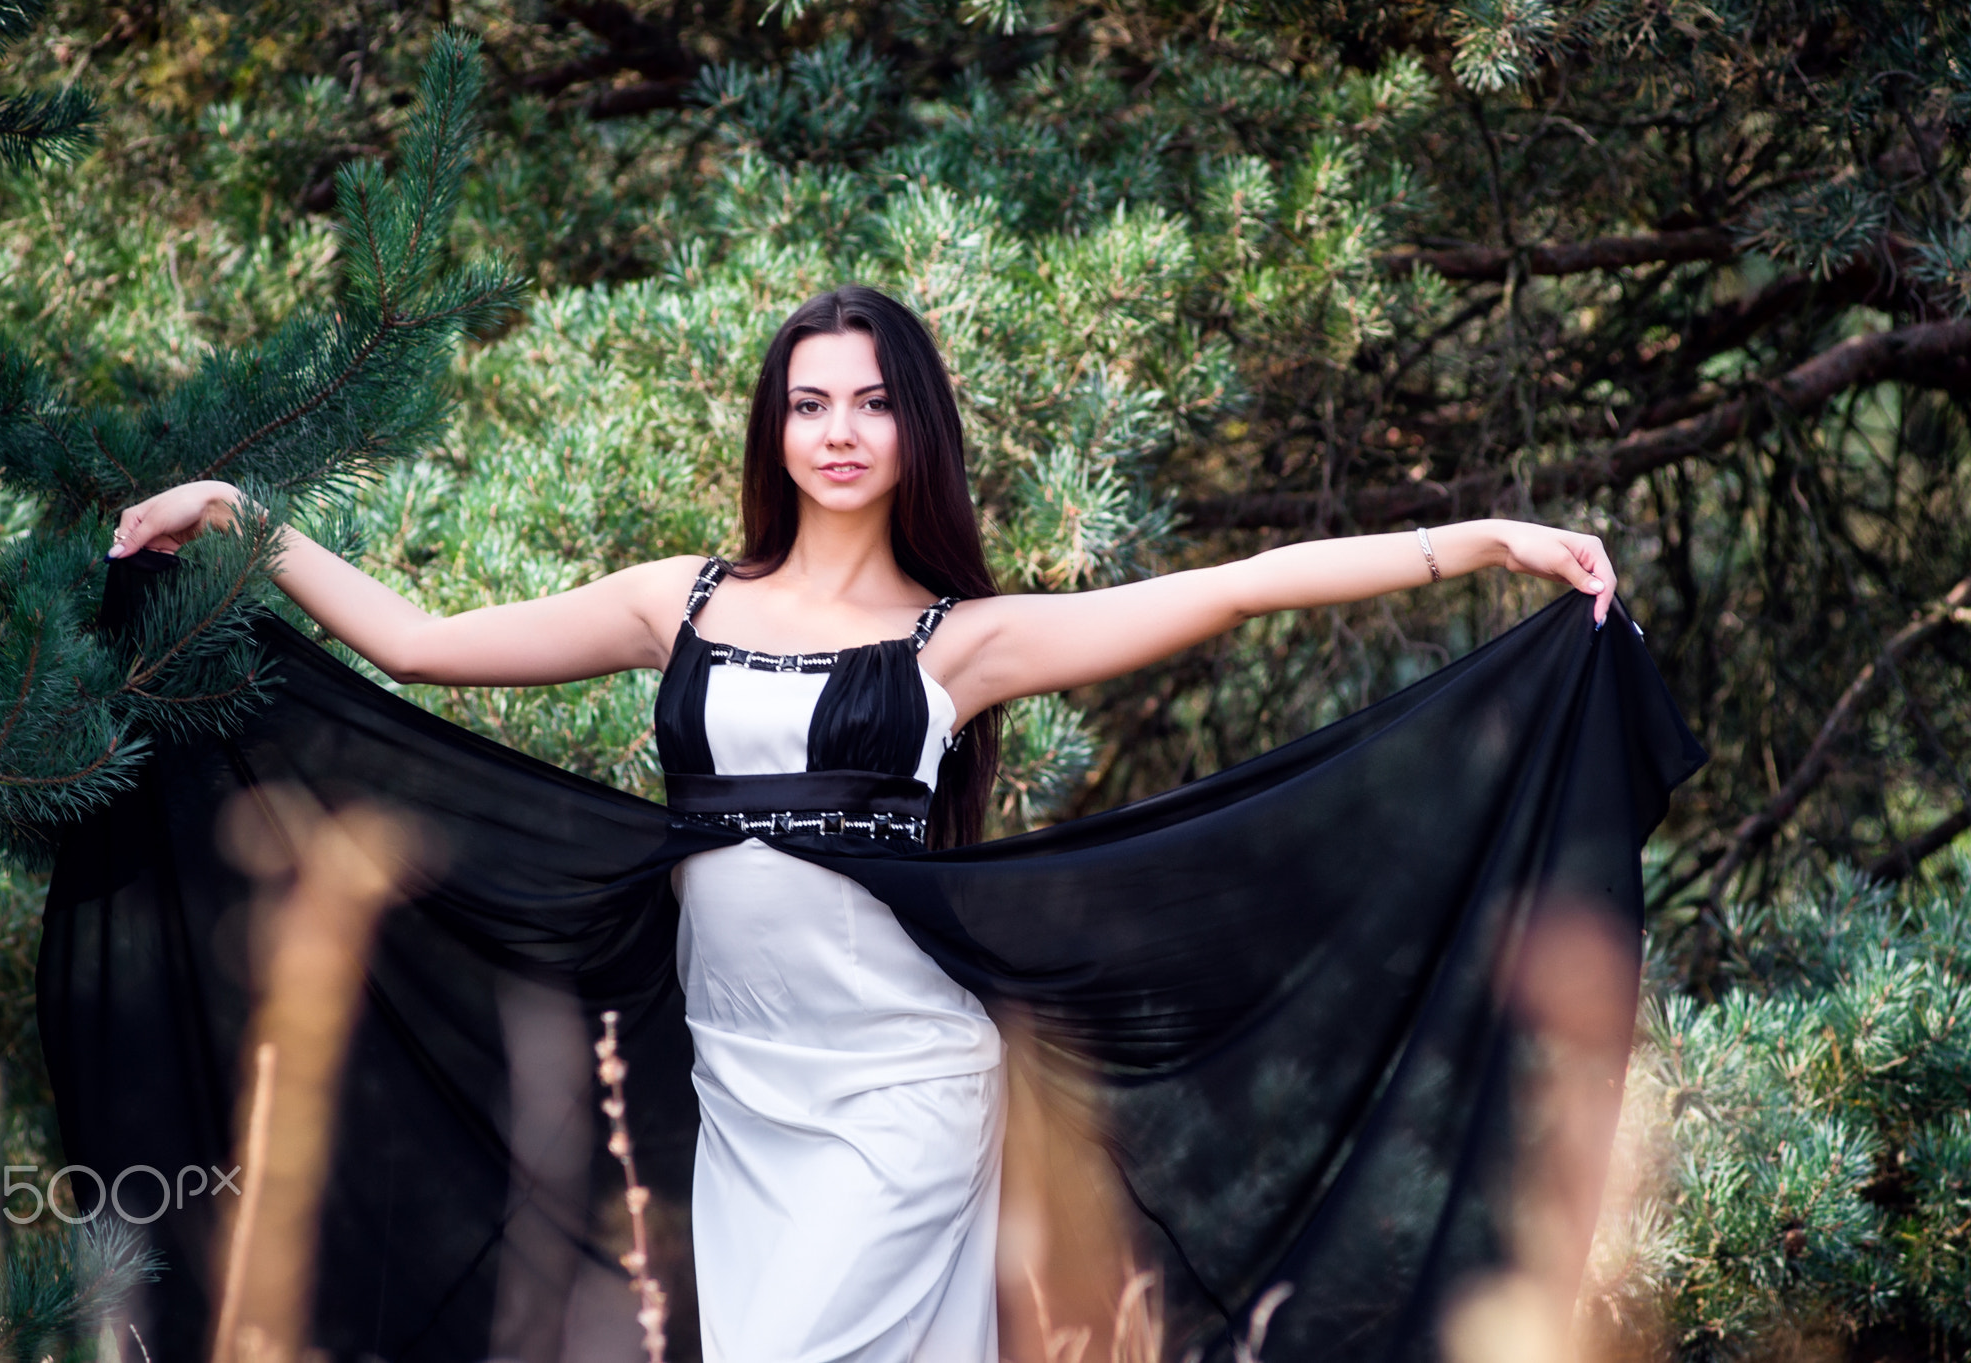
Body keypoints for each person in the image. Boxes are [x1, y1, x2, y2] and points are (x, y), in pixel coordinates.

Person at [98, 285, 1673, 1362]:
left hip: (904, 1078)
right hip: (748, 1088)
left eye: (868, 404)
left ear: (912, 427)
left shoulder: (957, 642)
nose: (837, 430)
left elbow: (1233, 588)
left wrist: (1479, 540)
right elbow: (427, 644)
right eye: (807, 403)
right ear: (774, 430)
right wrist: (247, 524)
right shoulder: (681, 602)